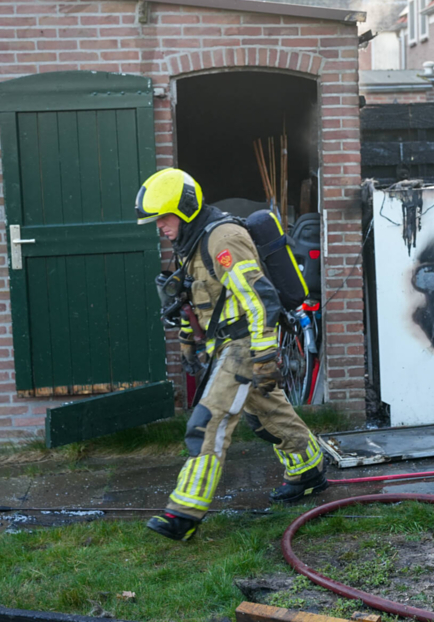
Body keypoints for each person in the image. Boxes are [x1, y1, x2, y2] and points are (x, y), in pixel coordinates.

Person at [135, 168, 327, 542]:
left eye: (164, 217)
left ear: (185, 208)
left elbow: (259, 299)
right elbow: (194, 300)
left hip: (245, 343)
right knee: (266, 412)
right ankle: (308, 470)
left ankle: (184, 512)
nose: (160, 226)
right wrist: (189, 342)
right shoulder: (190, 244)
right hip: (227, 343)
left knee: (210, 420)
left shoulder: (224, 238)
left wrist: (265, 355)